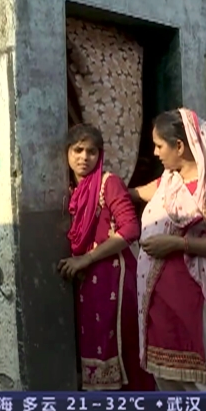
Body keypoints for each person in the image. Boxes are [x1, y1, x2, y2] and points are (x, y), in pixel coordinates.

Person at [130, 108, 206, 391]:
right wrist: (105, 191)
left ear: (180, 146)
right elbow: (138, 192)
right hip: (161, 303)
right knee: (169, 384)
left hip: (199, 301)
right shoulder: (168, 182)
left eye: (159, 146)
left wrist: (179, 244)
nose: (155, 153)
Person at [58, 123, 155, 391]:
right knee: (94, 345)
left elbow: (130, 229)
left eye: (91, 152)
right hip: (86, 280)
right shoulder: (69, 189)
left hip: (114, 277)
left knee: (121, 349)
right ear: (67, 152)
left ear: (99, 155)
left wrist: (87, 258)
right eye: (78, 150)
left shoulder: (108, 183)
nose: (84, 157)